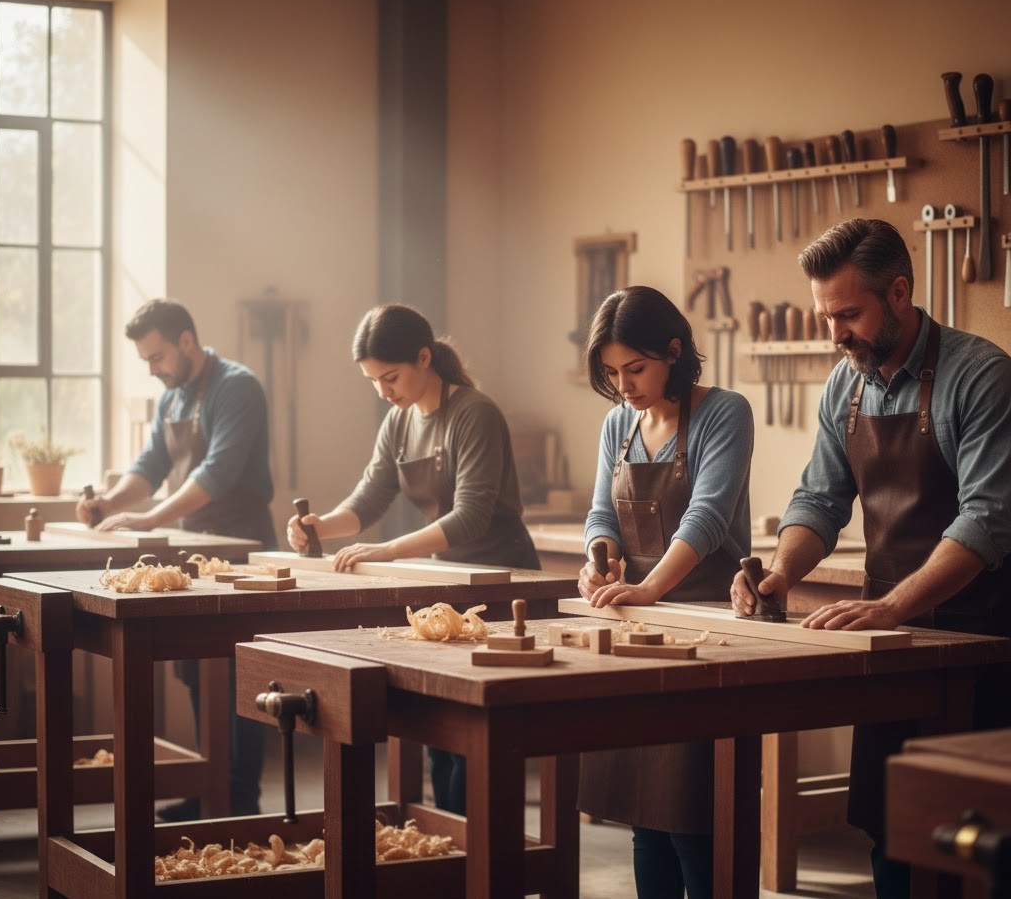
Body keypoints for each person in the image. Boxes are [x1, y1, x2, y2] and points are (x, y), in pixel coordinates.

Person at [730, 219, 1011, 899]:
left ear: (899, 293)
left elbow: (988, 518)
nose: (836, 334)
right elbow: (819, 499)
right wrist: (781, 574)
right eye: (825, 316)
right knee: (893, 826)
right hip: (892, 637)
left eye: (849, 315)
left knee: (980, 836)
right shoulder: (844, 384)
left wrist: (889, 606)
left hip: (983, 630)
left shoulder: (982, 375)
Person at [286, 302, 539, 813]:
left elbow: (470, 517)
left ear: (425, 358)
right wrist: (321, 526)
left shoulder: (474, 413)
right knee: (439, 731)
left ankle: (475, 845)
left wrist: (387, 550)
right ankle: (446, 842)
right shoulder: (399, 421)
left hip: (498, 578)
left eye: (391, 377)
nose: (384, 392)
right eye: (374, 382)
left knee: (475, 734)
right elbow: (369, 499)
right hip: (447, 581)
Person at [576, 285, 754, 899]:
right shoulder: (618, 424)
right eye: (612, 373)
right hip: (640, 627)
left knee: (696, 814)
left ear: (674, 352)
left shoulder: (725, 412)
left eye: (635, 369)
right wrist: (599, 562)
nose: (623, 386)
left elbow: (707, 518)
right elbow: (601, 515)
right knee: (645, 814)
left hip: (711, 630)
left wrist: (649, 587)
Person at [77, 298, 276, 820]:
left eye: (157, 356)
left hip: (240, 548)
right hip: (194, 547)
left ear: (186, 341)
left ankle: (240, 795)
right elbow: (150, 466)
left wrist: (148, 520)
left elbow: (217, 473)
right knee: (197, 666)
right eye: (145, 360)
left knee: (237, 671)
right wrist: (108, 504)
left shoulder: (237, 387)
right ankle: (211, 788)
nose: (152, 369)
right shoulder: (172, 397)